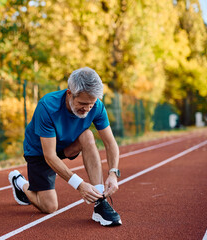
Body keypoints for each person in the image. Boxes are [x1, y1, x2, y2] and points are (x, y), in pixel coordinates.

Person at [8, 67, 122, 226]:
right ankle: (19, 182)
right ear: (69, 93)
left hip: (67, 145)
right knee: (49, 206)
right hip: (40, 151)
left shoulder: (96, 106)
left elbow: (110, 143)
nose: (87, 109)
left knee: (88, 135)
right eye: (82, 103)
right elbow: (50, 156)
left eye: (91, 104)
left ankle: (100, 203)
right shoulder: (47, 106)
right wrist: (79, 185)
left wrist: (113, 173)